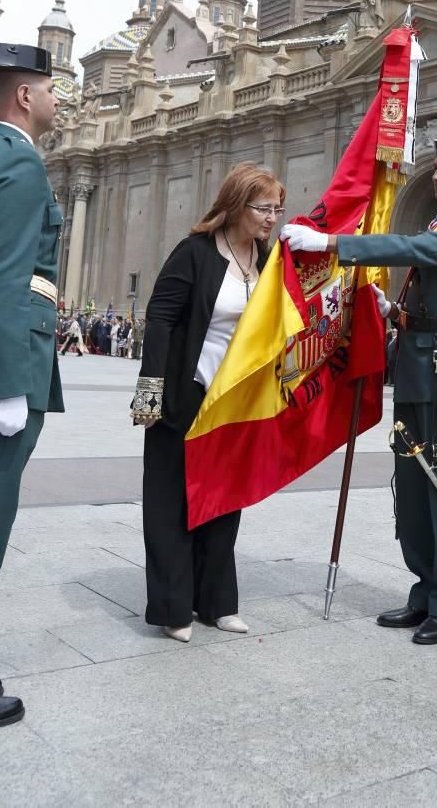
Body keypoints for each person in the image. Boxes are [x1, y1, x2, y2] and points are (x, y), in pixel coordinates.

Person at [281, 127, 437, 646]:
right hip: (420, 363)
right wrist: (395, 311)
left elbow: (413, 247)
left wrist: (333, 243)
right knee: (415, 483)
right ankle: (425, 588)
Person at [131, 162, 284, 643]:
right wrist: (149, 391)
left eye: (278, 209)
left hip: (234, 397)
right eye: (263, 208)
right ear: (237, 205)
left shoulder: (266, 257)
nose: (271, 218)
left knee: (223, 497)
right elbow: (160, 319)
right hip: (184, 390)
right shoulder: (194, 252)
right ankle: (174, 607)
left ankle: (216, 602)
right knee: (171, 499)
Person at [0, 43, 63, 728]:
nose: (57, 99)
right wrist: (8, 380)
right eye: (50, 89)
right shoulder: (17, 157)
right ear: (24, 96)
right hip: (11, 359)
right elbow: (12, 272)